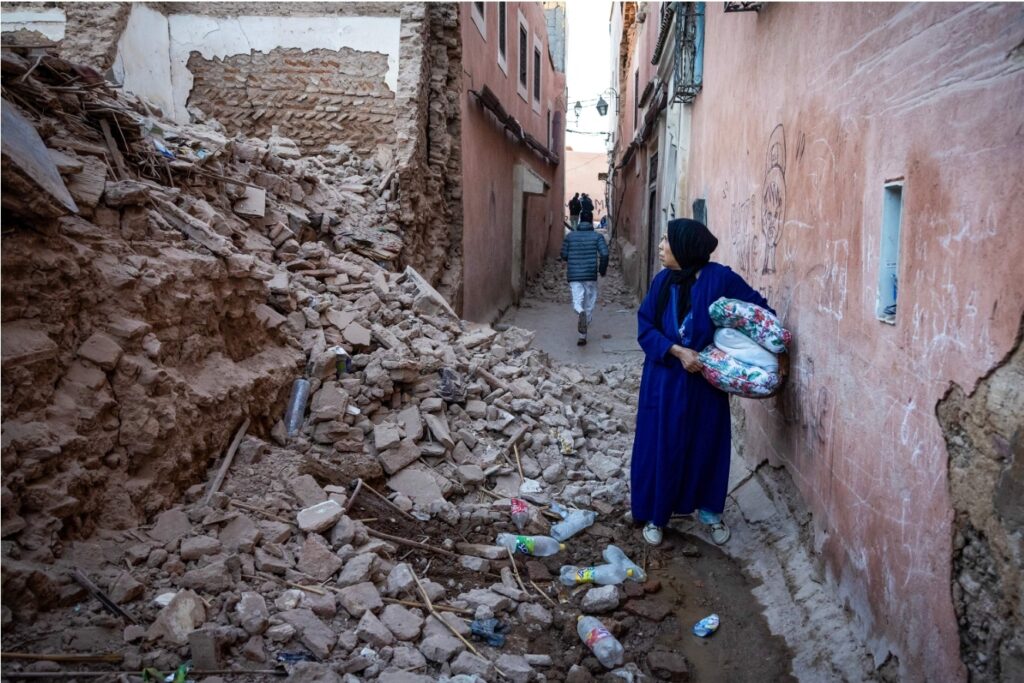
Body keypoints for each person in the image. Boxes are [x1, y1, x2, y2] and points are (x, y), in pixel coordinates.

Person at [630, 218, 777, 546]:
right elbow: (645, 326)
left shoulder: (719, 279)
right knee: (662, 445)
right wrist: (677, 350)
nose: (661, 246)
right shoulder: (662, 283)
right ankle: (657, 514)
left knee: (705, 444)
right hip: (664, 382)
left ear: (685, 247)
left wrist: (726, 350)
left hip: (705, 384)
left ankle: (710, 511)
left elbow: (759, 315)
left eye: (666, 241)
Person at [560, 209, 609, 346]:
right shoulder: (597, 236)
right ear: (591, 220)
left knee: (577, 301)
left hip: (574, 275)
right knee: (589, 303)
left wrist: (571, 257)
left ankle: (579, 312)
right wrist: (602, 270)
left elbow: (563, 255)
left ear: (580, 220)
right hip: (590, 275)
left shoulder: (570, 236)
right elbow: (604, 254)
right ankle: (583, 334)